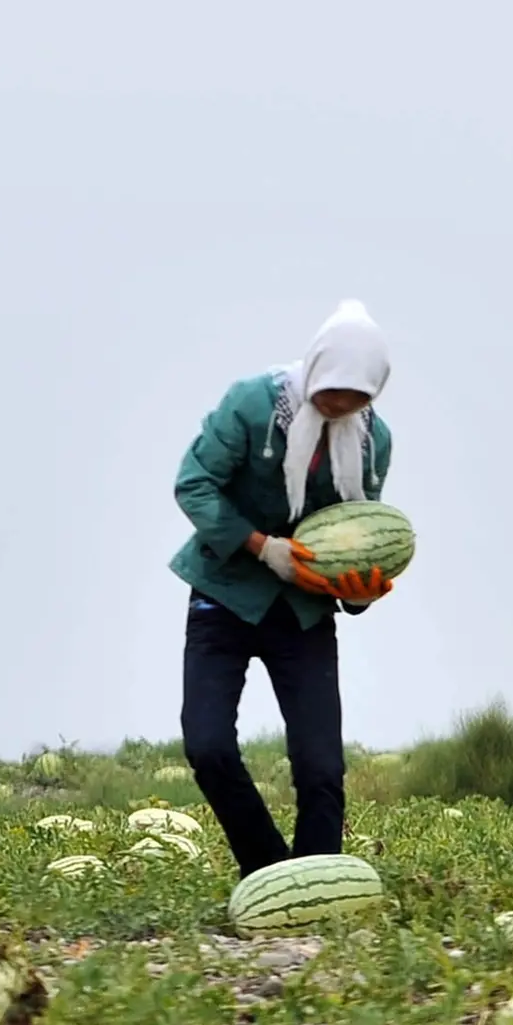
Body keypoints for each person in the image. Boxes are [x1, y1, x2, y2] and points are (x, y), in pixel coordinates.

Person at [167, 300, 404, 872]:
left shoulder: (375, 442)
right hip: (223, 593)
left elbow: (357, 532)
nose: (340, 405)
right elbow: (193, 484)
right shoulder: (252, 405)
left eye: (357, 398)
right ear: (316, 370)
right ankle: (270, 870)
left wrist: (359, 593)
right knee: (207, 745)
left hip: (303, 610)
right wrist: (262, 547)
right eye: (332, 392)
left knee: (321, 765)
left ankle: (318, 879)